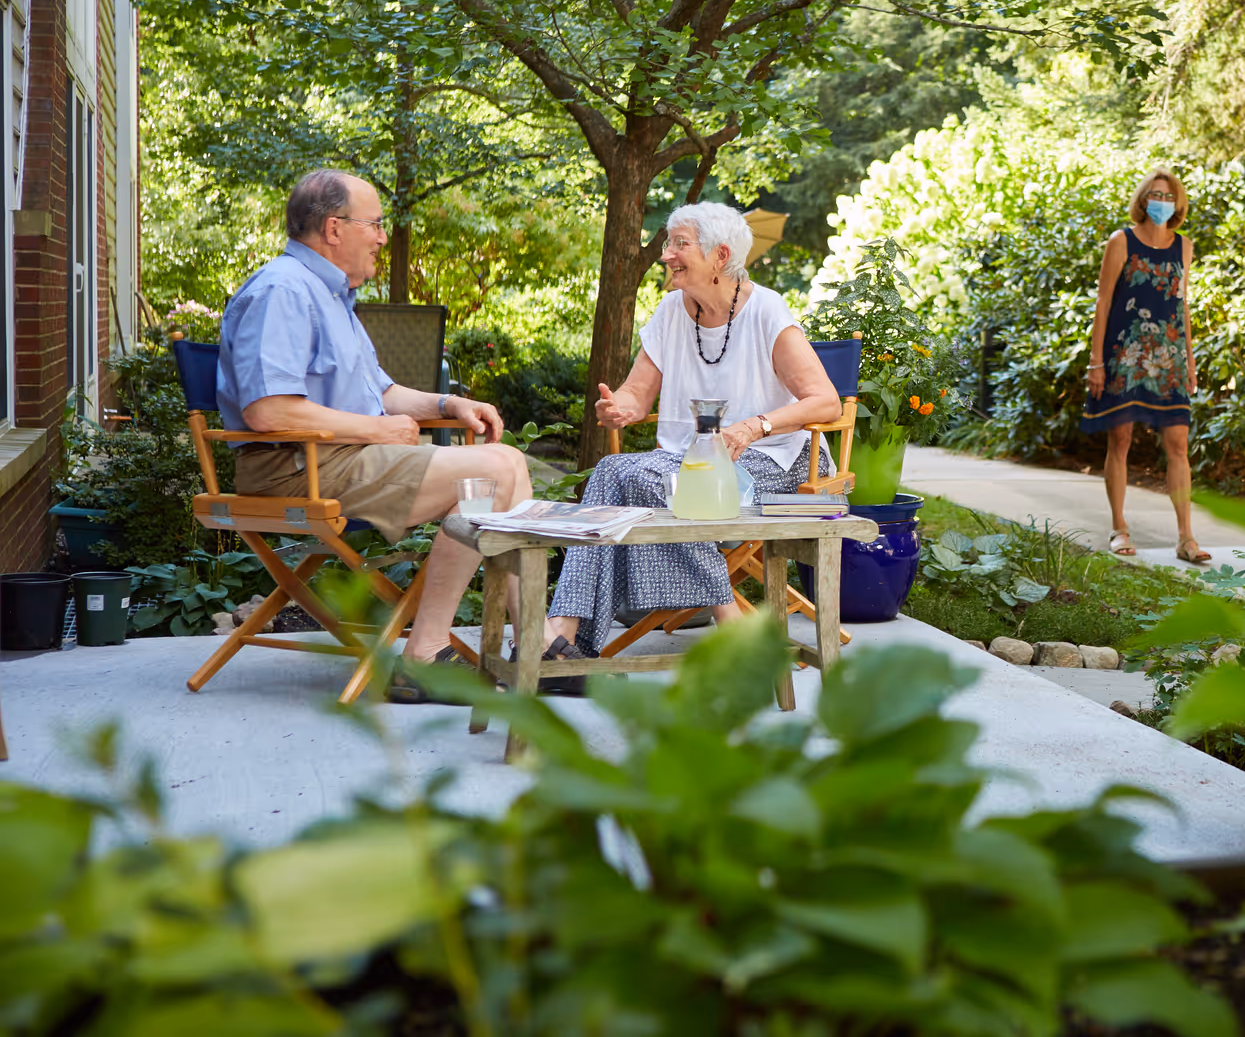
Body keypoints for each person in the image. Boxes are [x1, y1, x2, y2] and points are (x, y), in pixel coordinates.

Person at [218, 169, 532, 701]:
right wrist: (376, 430)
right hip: (295, 467)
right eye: (377, 225)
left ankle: (536, 649)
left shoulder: (331, 297)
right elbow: (269, 411)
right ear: (334, 228)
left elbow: (380, 393)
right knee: (493, 469)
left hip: (339, 458)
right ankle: (425, 654)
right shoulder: (283, 290)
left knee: (508, 463)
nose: (384, 237)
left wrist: (448, 402)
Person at [540, 202, 844, 666]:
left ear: (720, 256)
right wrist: (617, 407)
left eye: (679, 244)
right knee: (611, 472)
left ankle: (726, 619)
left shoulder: (766, 310)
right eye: (668, 243)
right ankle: (563, 635)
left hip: (776, 460)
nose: (666, 254)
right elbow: (636, 397)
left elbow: (826, 401)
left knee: (666, 484)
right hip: (691, 459)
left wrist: (755, 425)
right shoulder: (669, 311)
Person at [1081, 168, 1211, 565]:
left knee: (1178, 444)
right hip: (1126, 355)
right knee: (1120, 440)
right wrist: (1096, 361)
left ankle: (1186, 537)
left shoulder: (1184, 246)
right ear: (1143, 199)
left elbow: (1181, 304)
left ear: (1178, 203)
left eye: (1169, 196)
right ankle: (1119, 528)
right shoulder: (1121, 241)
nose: (1162, 201)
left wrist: (1189, 359)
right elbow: (1104, 302)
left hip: (1169, 357)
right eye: (1155, 194)